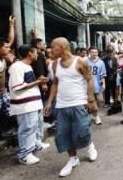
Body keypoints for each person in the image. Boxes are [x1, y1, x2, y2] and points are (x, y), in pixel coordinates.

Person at [44, 38, 98, 177]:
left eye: (53, 47)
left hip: (79, 103)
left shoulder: (80, 61)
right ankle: (73, 159)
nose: (50, 50)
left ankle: (89, 144)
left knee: (82, 130)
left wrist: (90, 99)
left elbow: (89, 79)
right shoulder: (55, 64)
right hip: (62, 105)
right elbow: (55, 83)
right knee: (63, 134)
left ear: (62, 47)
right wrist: (50, 102)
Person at [8, 44, 50, 164]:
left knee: (33, 127)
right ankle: (24, 155)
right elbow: (17, 86)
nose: (37, 54)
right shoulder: (17, 66)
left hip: (32, 102)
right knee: (27, 128)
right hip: (25, 104)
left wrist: (38, 81)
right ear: (29, 53)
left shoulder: (27, 66)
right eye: (36, 52)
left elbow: (28, 83)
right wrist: (38, 81)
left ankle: (34, 146)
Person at [0, 16, 15, 127]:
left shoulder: (2, 58)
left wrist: (11, 25)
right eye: (5, 47)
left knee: (11, 112)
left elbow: (10, 40)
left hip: (3, 93)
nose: (8, 49)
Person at [86, 46, 106, 125]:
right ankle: (97, 116)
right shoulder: (85, 61)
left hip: (97, 85)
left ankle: (92, 113)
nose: (94, 54)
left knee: (100, 100)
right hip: (88, 86)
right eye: (92, 52)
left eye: (95, 52)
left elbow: (103, 75)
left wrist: (104, 83)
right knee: (92, 102)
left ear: (97, 53)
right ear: (89, 53)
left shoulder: (101, 62)